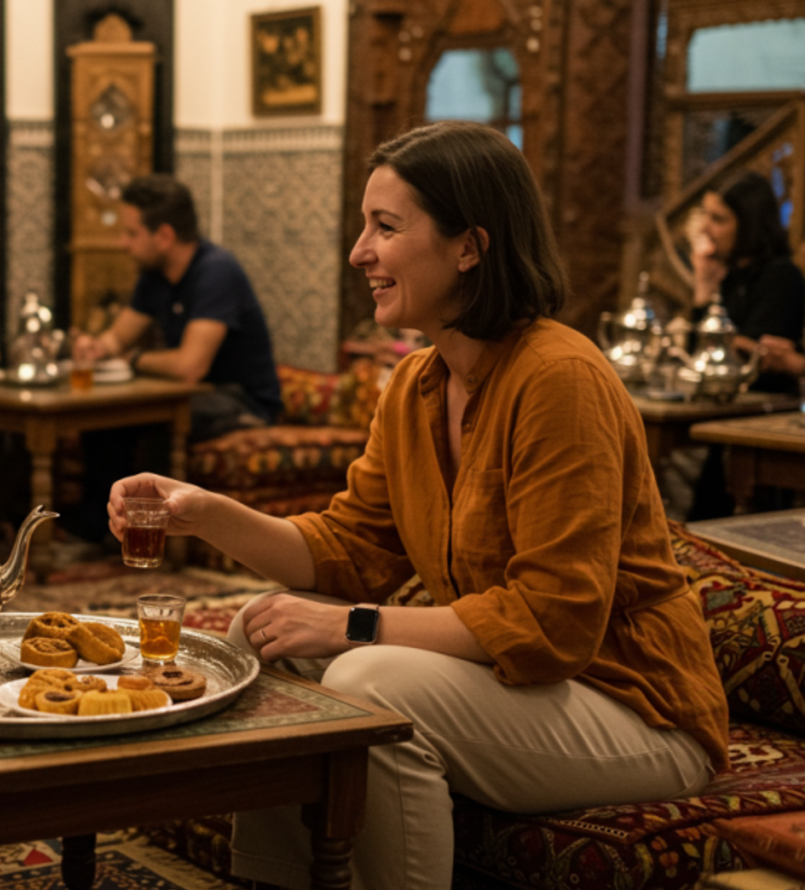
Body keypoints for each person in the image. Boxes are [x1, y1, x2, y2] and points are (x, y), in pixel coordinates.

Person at [105, 121, 728, 890]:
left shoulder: (560, 378)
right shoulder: (415, 386)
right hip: (523, 688)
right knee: (255, 631)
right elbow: (345, 551)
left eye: (385, 228)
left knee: (374, 684)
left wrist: (354, 625)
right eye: (364, 227)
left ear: (469, 245)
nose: (358, 252)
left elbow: (554, 624)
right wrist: (202, 511)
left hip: (635, 708)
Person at [64, 173, 282, 543]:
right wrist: (94, 348)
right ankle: (97, 533)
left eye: (132, 233)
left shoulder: (216, 271)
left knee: (143, 420)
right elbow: (118, 337)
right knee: (104, 418)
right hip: (193, 393)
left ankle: (151, 540)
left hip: (240, 398)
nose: (124, 243)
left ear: (163, 236)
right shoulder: (154, 274)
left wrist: (134, 360)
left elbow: (189, 367)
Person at [685, 170, 805, 518]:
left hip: (763, 412)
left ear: (749, 223)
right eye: (706, 216)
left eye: (718, 219)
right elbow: (701, 348)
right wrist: (703, 288)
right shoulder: (732, 276)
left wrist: (725, 339)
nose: (706, 228)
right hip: (727, 409)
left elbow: (760, 355)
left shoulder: (781, 276)